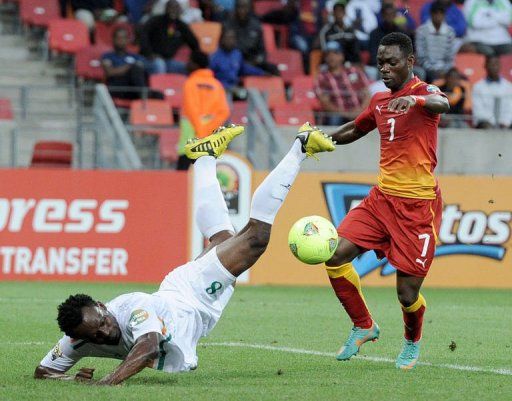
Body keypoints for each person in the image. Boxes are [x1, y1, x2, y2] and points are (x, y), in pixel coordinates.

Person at [33, 123, 335, 385]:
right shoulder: (78, 339)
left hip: (193, 293)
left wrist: (106, 382)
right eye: (95, 335)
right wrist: (71, 377)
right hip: (187, 301)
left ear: (102, 306)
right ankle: (204, 158)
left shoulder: (130, 309)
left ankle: (301, 145)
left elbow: (148, 347)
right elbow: (43, 371)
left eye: (102, 322)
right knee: (223, 237)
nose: (105, 333)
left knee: (255, 238)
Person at [324, 32, 450, 370]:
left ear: (409, 62)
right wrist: (321, 139)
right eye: (380, 63)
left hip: (416, 207)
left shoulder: (424, 92)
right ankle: (364, 325)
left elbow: (444, 103)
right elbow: (355, 128)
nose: (384, 69)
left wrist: (416, 102)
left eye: (391, 62)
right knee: (334, 255)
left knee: (406, 294)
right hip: (381, 201)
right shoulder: (379, 101)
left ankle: (411, 342)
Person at [177, 51, 230, 170]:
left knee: (183, 174)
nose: (187, 64)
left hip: (190, 136)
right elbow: (224, 111)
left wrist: (200, 132)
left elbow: (192, 109)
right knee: (207, 173)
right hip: (211, 137)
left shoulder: (190, 83)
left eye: (189, 61)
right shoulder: (217, 85)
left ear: (195, 64)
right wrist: (208, 128)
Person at [314, 41, 370, 126]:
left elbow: (367, 95)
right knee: (334, 119)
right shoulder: (322, 77)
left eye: (335, 53)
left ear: (342, 56)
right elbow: (325, 103)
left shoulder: (354, 71)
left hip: (359, 111)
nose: (331, 57)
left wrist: (360, 111)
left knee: (373, 116)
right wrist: (344, 113)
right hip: (338, 115)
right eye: (328, 54)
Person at [140, 0, 200, 75]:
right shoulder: (155, 21)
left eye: (176, 8)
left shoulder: (182, 26)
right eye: (171, 7)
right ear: (166, 9)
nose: (173, 10)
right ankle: (159, 86)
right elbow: (143, 35)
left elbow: (194, 43)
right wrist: (149, 53)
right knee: (159, 65)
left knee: (185, 68)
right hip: (151, 59)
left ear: (180, 10)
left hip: (168, 60)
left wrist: (192, 60)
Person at [101, 27, 162, 100]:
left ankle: (145, 97)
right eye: (118, 38)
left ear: (127, 40)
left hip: (133, 88)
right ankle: (144, 97)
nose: (121, 41)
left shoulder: (135, 56)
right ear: (113, 40)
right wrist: (129, 67)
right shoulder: (107, 56)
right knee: (135, 68)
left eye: (123, 38)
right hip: (117, 87)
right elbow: (110, 72)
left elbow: (145, 69)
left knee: (159, 95)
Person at [223, 0, 278, 75]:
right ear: (235, 8)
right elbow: (224, 47)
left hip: (252, 60)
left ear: (250, 9)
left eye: (245, 7)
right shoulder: (228, 25)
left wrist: (258, 60)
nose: (242, 10)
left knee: (273, 69)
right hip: (234, 60)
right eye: (240, 7)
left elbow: (262, 50)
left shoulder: (256, 26)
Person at [209, 26, 266, 92]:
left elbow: (244, 68)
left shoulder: (237, 54)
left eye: (232, 38)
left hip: (235, 88)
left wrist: (261, 73)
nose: (230, 41)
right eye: (227, 38)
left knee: (254, 92)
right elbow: (210, 76)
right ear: (221, 39)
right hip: (220, 89)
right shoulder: (215, 57)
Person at [415, 1, 456, 83]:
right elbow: (421, 57)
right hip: (427, 69)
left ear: (444, 15)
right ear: (431, 14)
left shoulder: (450, 32)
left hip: (444, 70)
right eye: (436, 13)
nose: (438, 16)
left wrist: (444, 70)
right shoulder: (421, 31)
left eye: (441, 13)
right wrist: (434, 71)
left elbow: (450, 57)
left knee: (457, 77)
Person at [472, 55, 512, 129]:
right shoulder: (478, 86)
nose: (494, 67)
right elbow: (478, 111)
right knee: (485, 125)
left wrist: (505, 123)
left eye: (496, 64)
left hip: (505, 124)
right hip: (486, 124)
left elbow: (510, 109)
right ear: (485, 66)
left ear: (500, 66)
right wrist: (494, 123)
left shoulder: (509, 86)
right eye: (491, 64)